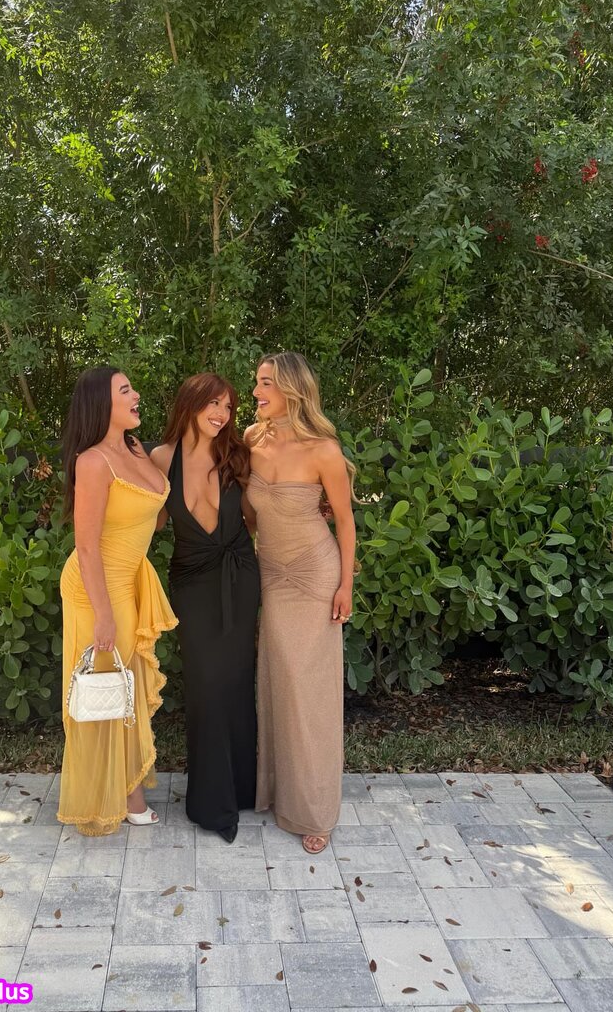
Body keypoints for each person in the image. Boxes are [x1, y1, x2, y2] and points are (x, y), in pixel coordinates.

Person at [57, 366, 177, 836]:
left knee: (124, 683)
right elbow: (86, 546)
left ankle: (124, 787)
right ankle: (120, 797)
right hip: (95, 588)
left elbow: (156, 517)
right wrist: (103, 615)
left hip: (129, 579)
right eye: (125, 390)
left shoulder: (133, 450)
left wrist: (151, 463)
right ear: (101, 404)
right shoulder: (93, 462)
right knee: (107, 686)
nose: (136, 395)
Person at [245, 351, 356, 855]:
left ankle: (314, 810)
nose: (256, 391)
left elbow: (345, 522)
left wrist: (345, 585)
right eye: (257, 382)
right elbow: (247, 511)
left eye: (265, 382)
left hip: (315, 575)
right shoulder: (251, 439)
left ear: (292, 388)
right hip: (271, 574)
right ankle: (278, 791)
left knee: (309, 690)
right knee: (277, 680)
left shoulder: (323, 450)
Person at [150, 374, 260, 843]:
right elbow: (151, 520)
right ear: (190, 403)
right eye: (214, 403)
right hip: (191, 583)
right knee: (205, 684)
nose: (221, 413)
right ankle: (211, 803)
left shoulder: (237, 454)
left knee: (235, 680)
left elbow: (256, 516)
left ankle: (241, 789)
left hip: (240, 575)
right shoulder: (161, 458)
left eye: (229, 406)